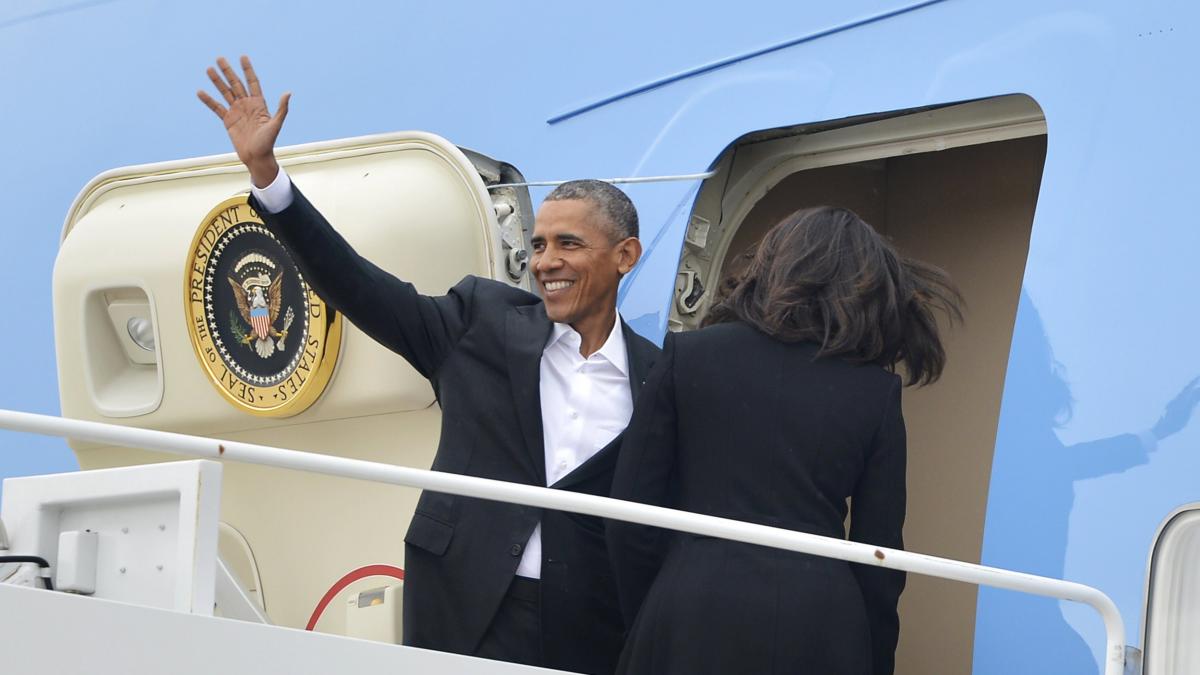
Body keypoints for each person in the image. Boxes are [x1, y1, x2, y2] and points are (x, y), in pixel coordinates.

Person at [198, 56, 660, 674]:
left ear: (625, 255)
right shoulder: (484, 324)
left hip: (590, 630)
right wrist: (269, 178)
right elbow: (362, 289)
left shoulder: (660, 379)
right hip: (466, 609)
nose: (546, 261)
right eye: (540, 244)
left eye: (569, 244)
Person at [607, 206, 963, 675]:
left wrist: (657, 610)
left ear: (773, 265)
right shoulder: (875, 392)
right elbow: (880, 556)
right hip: (822, 624)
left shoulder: (691, 356)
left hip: (691, 607)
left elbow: (630, 515)